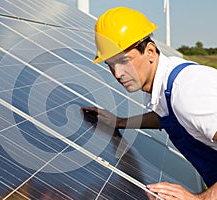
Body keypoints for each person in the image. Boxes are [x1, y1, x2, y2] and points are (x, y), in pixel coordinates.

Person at [82, 6, 217, 199]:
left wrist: (200, 198)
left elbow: (184, 109)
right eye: (111, 65)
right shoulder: (165, 84)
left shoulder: (187, 93)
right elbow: (168, 115)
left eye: (124, 61)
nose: (118, 74)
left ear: (150, 51)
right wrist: (121, 122)